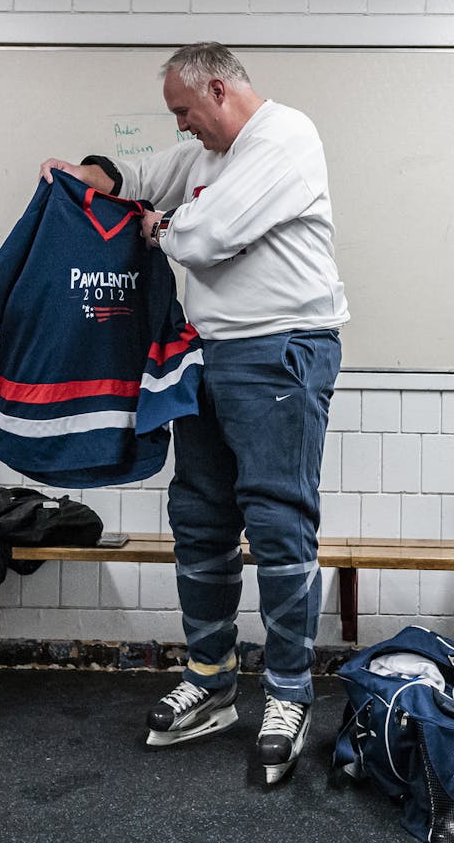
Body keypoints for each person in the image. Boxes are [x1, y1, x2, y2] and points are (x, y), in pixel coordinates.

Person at [40, 42, 348, 783]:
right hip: (204, 355)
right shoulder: (206, 151)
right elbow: (138, 179)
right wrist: (92, 178)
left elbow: (208, 239)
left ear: (217, 89)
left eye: (185, 111)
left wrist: (159, 229)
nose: (182, 128)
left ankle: (286, 694)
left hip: (280, 350)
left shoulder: (285, 137)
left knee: (276, 521)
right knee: (202, 517)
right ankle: (211, 678)